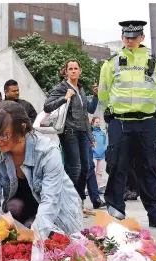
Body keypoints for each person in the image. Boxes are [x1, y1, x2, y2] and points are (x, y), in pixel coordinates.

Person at [98, 20, 156, 229]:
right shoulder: (111, 62)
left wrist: (146, 109)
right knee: (117, 166)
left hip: (146, 121)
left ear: (142, 37)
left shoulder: (153, 62)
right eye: (127, 37)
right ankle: (116, 212)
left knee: (148, 167)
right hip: (120, 121)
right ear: (122, 38)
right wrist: (112, 110)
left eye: (134, 37)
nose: (130, 41)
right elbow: (104, 91)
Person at [0, 101, 82, 238]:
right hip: (22, 215)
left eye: (3, 135)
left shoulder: (47, 153)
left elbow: (51, 201)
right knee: (12, 211)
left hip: (58, 217)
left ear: (22, 128)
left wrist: (33, 235)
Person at [44, 59, 96, 204]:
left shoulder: (81, 89)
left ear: (80, 71)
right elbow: (47, 106)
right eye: (70, 69)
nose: (73, 71)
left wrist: (91, 137)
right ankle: (68, 202)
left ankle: (78, 200)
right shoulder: (61, 87)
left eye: (75, 68)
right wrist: (64, 97)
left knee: (86, 168)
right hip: (69, 132)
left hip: (83, 133)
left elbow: (87, 113)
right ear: (66, 72)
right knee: (75, 169)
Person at [91, 116, 107, 188]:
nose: (98, 123)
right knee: (92, 172)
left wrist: (104, 150)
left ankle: (97, 187)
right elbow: (90, 143)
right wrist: (93, 150)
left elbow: (105, 143)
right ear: (93, 123)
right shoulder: (91, 133)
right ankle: (92, 188)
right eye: (96, 122)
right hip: (94, 155)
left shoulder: (103, 133)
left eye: (99, 122)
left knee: (99, 173)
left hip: (102, 155)